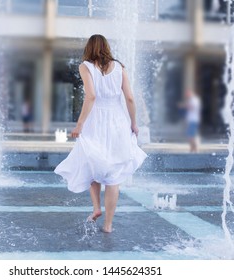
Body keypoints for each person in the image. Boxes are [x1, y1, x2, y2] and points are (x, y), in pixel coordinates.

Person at [54, 34, 147, 233]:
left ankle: (96, 208)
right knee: (113, 176)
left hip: (95, 121)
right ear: (106, 47)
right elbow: (130, 98)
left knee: (92, 161)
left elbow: (91, 96)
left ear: (89, 48)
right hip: (117, 121)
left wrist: (79, 125)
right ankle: (108, 225)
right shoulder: (120, 68)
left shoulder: (86, 66)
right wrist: (134, 123)